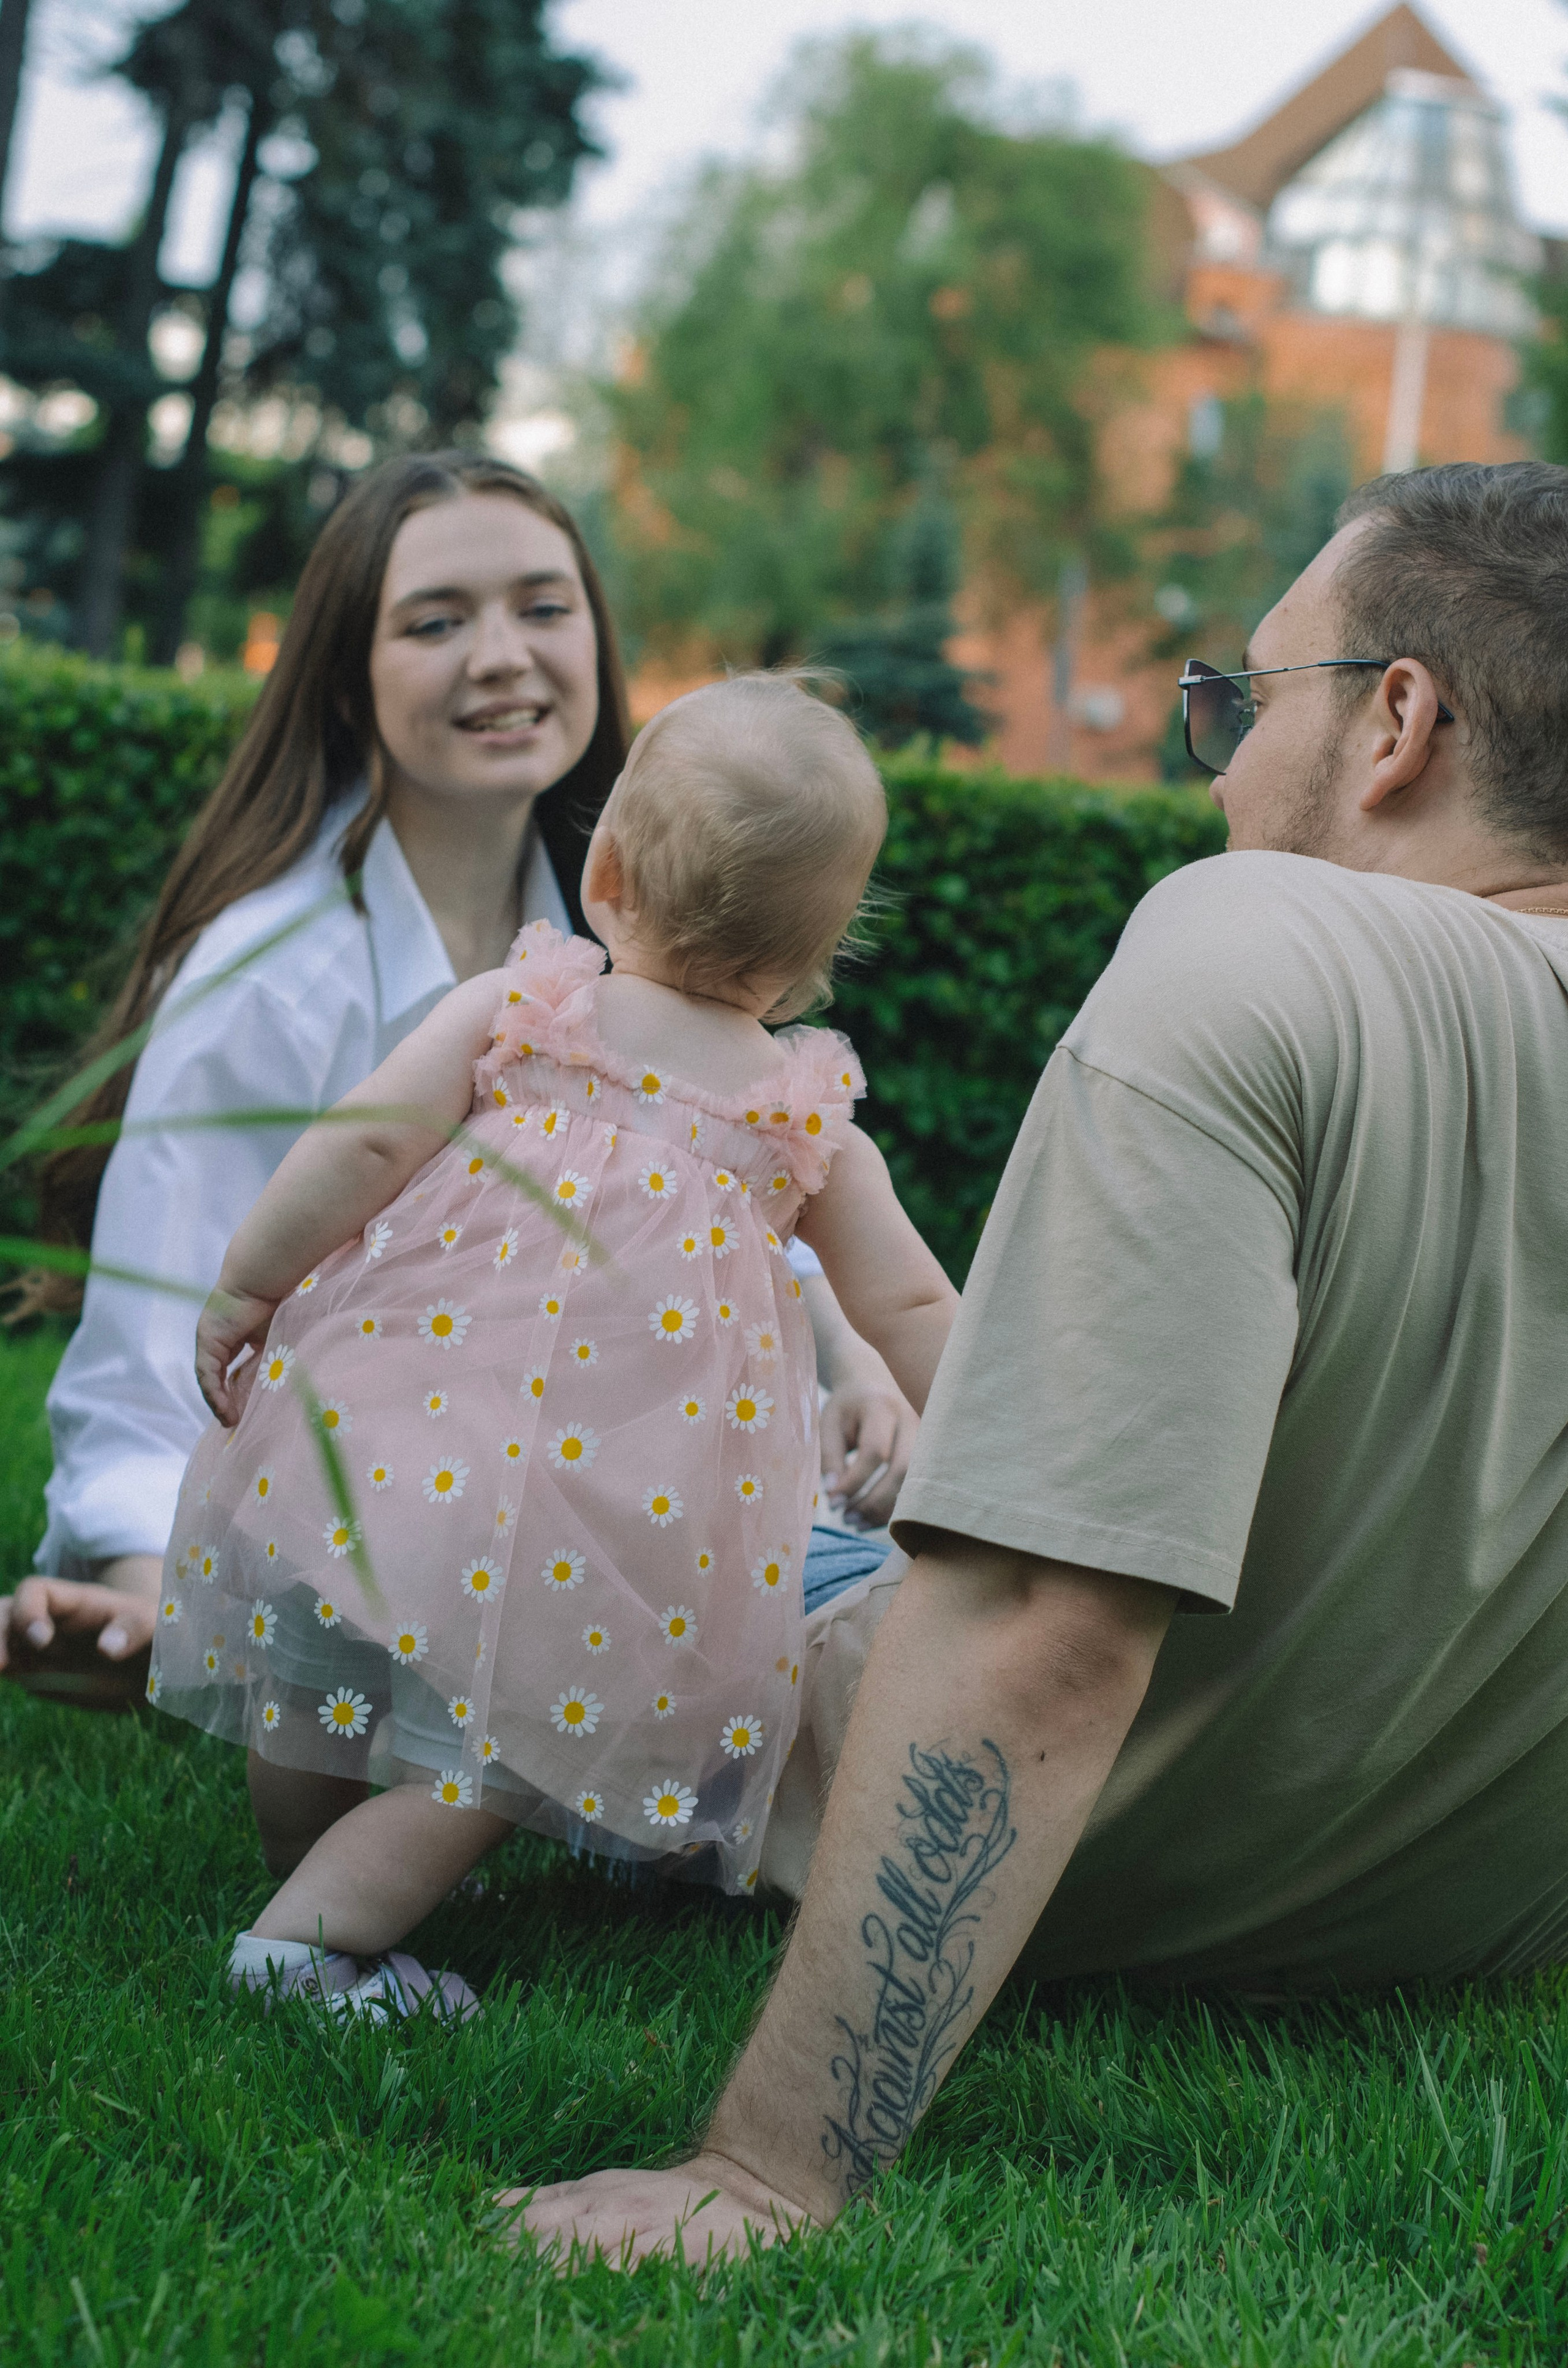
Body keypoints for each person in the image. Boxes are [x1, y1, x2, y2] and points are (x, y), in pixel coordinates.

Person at [516, 460, 1568, 2262]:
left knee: (547, 1495)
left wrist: (770, 2168)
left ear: (1400, 720)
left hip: (1044, 1850)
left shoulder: (1256, 943)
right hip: (1440, 1916)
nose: (1222, 769)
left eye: (1247, 700)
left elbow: (1039, 1615)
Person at [0, 455, 911, 1695]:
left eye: (543, 607)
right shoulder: (264, 976)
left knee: (875, 1582)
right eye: (436, 621)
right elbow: (162, 1338)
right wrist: (145, 1590)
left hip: (584, 1501)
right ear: (341, 678)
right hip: (391, 1512)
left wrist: (850, 1361)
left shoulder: (635, 951)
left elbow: (706, 1203)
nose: (501, 655)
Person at [150, 674, 957, 2018]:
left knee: (328, 1638)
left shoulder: (525, 1013)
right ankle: (312, 1936)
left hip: (410, 1426)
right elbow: (916, 1309)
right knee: (511, 1740)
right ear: (818, 953)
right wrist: (995, 1459)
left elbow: (362, 1140)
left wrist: (248, 1284)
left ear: (605, 871)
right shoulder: (802, 1112)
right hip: (615, 1514)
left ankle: (308, 1881)